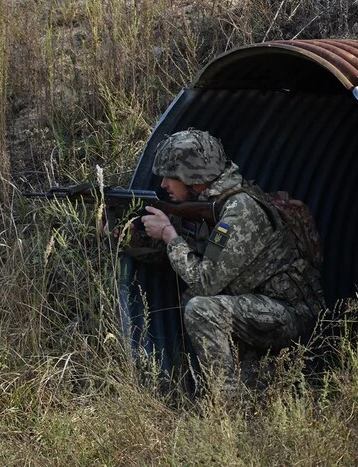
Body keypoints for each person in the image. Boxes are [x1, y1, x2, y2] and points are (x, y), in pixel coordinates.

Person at [128, 129, 325, 392]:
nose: (163, 185)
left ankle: (227, 405)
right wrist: (126, 238)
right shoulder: (206, 205)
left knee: (201, 308)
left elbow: (206, 282)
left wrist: (169, 235)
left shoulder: (238, 211)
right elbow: (172, 254)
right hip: (256, 311)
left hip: (289, 314)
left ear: (194, 178)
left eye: (170, 177)